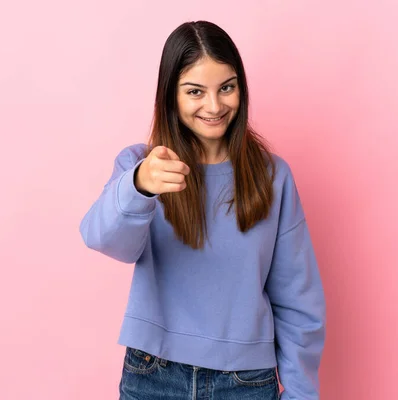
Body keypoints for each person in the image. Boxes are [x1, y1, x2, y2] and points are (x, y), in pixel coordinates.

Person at [80, 20, 326, 400]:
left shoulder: (272, 176)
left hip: (246, 382)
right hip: (152, 376)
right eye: (195, 91)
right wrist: (139, 186)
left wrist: (299, 393)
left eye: (226, 87)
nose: (214, 106)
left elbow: (298, 299)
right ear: (171, 96)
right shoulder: (143, 167)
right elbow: (103, 239)